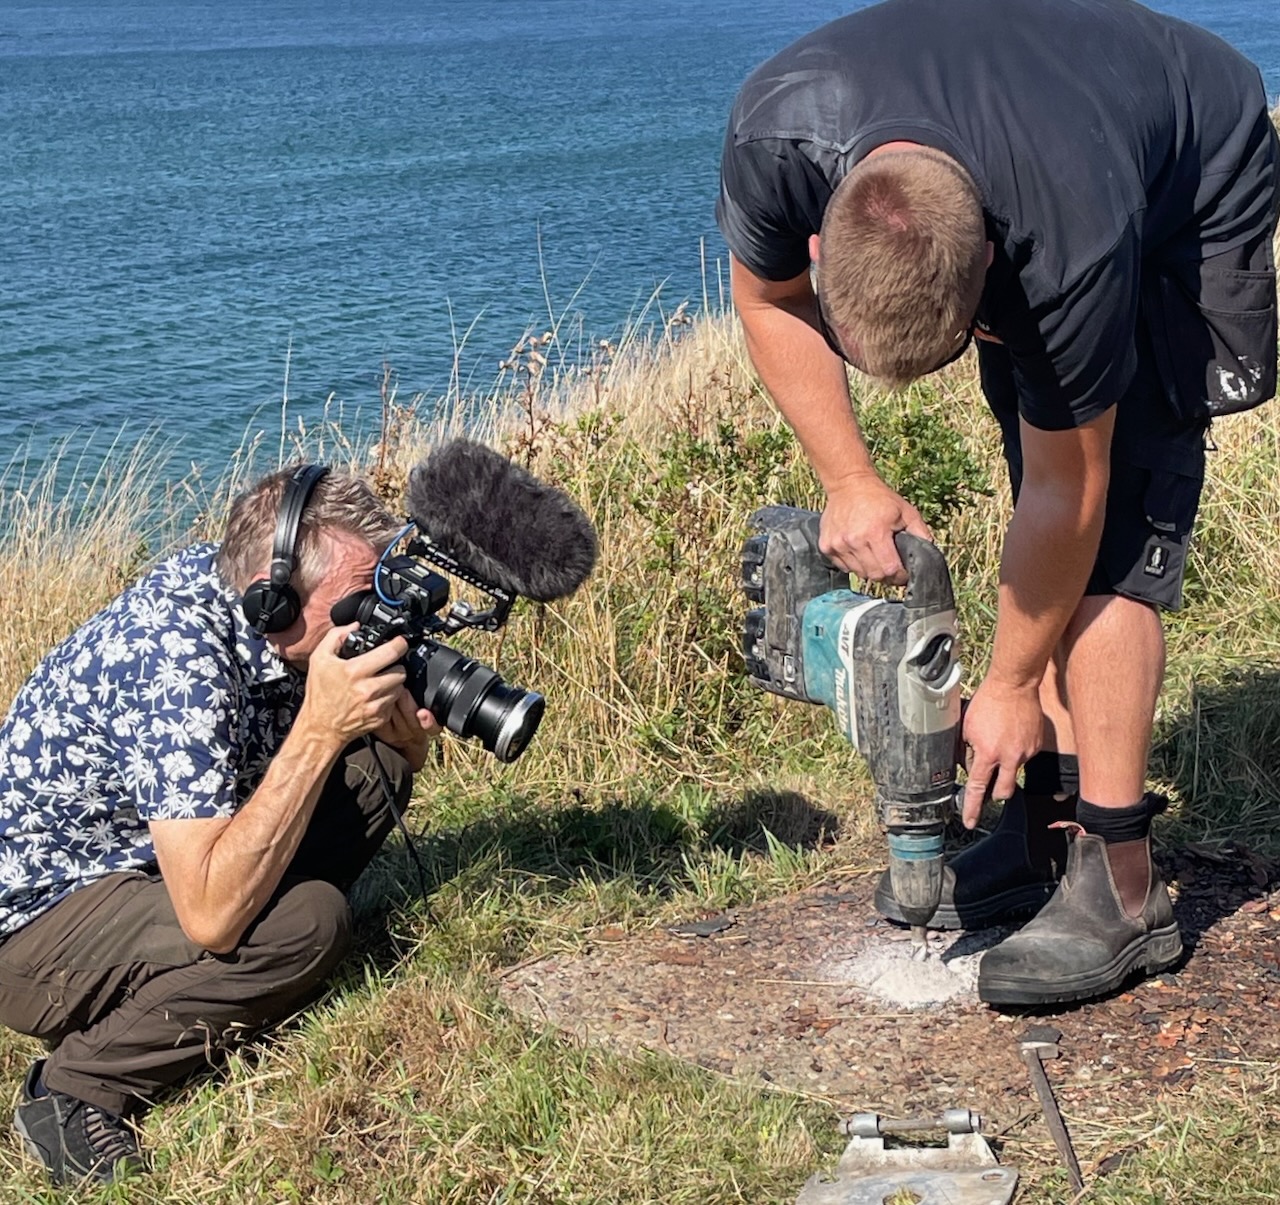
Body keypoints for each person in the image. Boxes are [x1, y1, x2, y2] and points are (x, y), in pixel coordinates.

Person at [717, 0, 1278, 1005]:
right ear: (816, 240)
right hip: (1025, 133)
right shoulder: (774, 137)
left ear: (988, 267)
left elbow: (1074, 491)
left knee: (1111, 542)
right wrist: (849, 478)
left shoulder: (1067, 238)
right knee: (1048, 496)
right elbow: (765, 302)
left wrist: (1011, 683)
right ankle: (1036, 829)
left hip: (1183, 173)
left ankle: (1117, 883)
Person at [0, 464, 441, 1184]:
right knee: (310, 922)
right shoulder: (178, 660)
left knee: (377, 768)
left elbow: (393, 756)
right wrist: (321, 730)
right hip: (35, 929)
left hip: (152, 854)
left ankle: (224, 971)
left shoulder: (250, 608)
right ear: (275, 601)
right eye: (360, 598)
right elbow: (207, 915)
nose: (376, 614)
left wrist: (402, 734)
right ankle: (75, 1087)